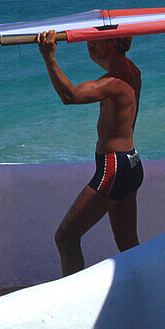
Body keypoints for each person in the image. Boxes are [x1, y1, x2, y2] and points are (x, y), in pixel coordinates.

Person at [37, 30, 143, 275]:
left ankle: (73, 304)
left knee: (66, 237)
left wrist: (49, 57)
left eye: (95, 41)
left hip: (114, 168)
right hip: (132, 163)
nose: (89, 47)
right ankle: (144, 292)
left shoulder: (113, 84)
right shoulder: (133, 72)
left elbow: (70, 95)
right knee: (128, 245)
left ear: (112, 42)